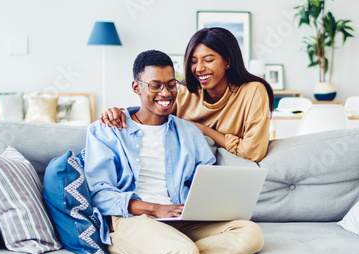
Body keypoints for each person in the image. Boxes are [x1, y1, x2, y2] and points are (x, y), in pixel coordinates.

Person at [84, 50, 264, 254]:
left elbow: (207, 178)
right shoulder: (107, 129)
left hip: (182, 218)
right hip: (133, 219)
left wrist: (206, 203)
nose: (166, 93)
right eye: (155, 85)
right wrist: (156, 209)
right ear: (136, 86)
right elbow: (99, 193)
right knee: (182, 251)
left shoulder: (189, 132)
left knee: (250, 234)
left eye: (171, 85)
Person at [100, 27, 274, 162]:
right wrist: (121, 113)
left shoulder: (253, 91)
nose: (199, 68)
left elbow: (253, 152)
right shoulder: (183, 92)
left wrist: (203, 130)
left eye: (208, 60)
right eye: (193, 61)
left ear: (228, 61)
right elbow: (151, 117)